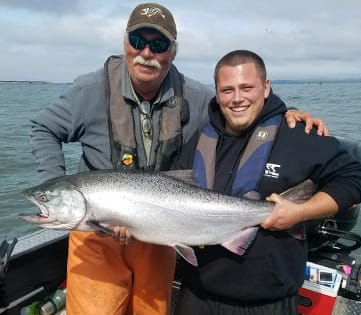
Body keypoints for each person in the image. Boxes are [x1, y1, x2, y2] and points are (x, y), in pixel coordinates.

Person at [28, 4, 328, 315]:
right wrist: (53, 184)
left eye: (159, 45)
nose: (147, 52)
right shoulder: (89, 91)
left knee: (151, 311)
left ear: (173, 51)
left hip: (163, 227)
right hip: (95, 235)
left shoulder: (196, 97)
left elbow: (240, 108)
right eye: (137, 41)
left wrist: (284, 114)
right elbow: (42, 126)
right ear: (125, 44)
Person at [171, 50, 361, 315]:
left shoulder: (299, 135)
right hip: (197, 297)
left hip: (268, 302)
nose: (237, 98)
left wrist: (300, 211)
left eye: (247, 87)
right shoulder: (197, 142)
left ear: (266, 88)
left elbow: (353, 179)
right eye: (227, 90)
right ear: (216, 94)